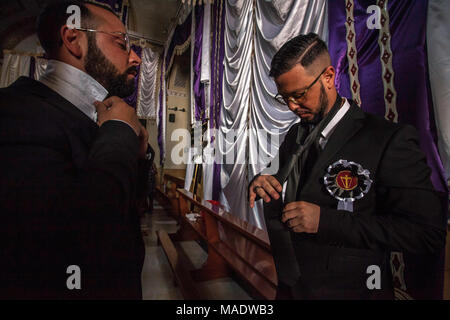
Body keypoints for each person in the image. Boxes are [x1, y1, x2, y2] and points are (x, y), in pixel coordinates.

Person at [248, 33, 446, 299]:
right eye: (285, 98)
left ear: (329, 76)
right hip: (292, 287)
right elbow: (279, 175)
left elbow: (426, 233)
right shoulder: (296, 134)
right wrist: (261, 179)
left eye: (299, 94)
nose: (293, 106)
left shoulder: (387, 140)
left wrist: (327, 222)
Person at [0, 1, 152, 299]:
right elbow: (83, 237)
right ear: (73, 40)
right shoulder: (14, 113)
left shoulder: (101, 115)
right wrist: (119, 133)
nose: (135, 58)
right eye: (122, 43)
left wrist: (140, 155)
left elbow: (128, 213)